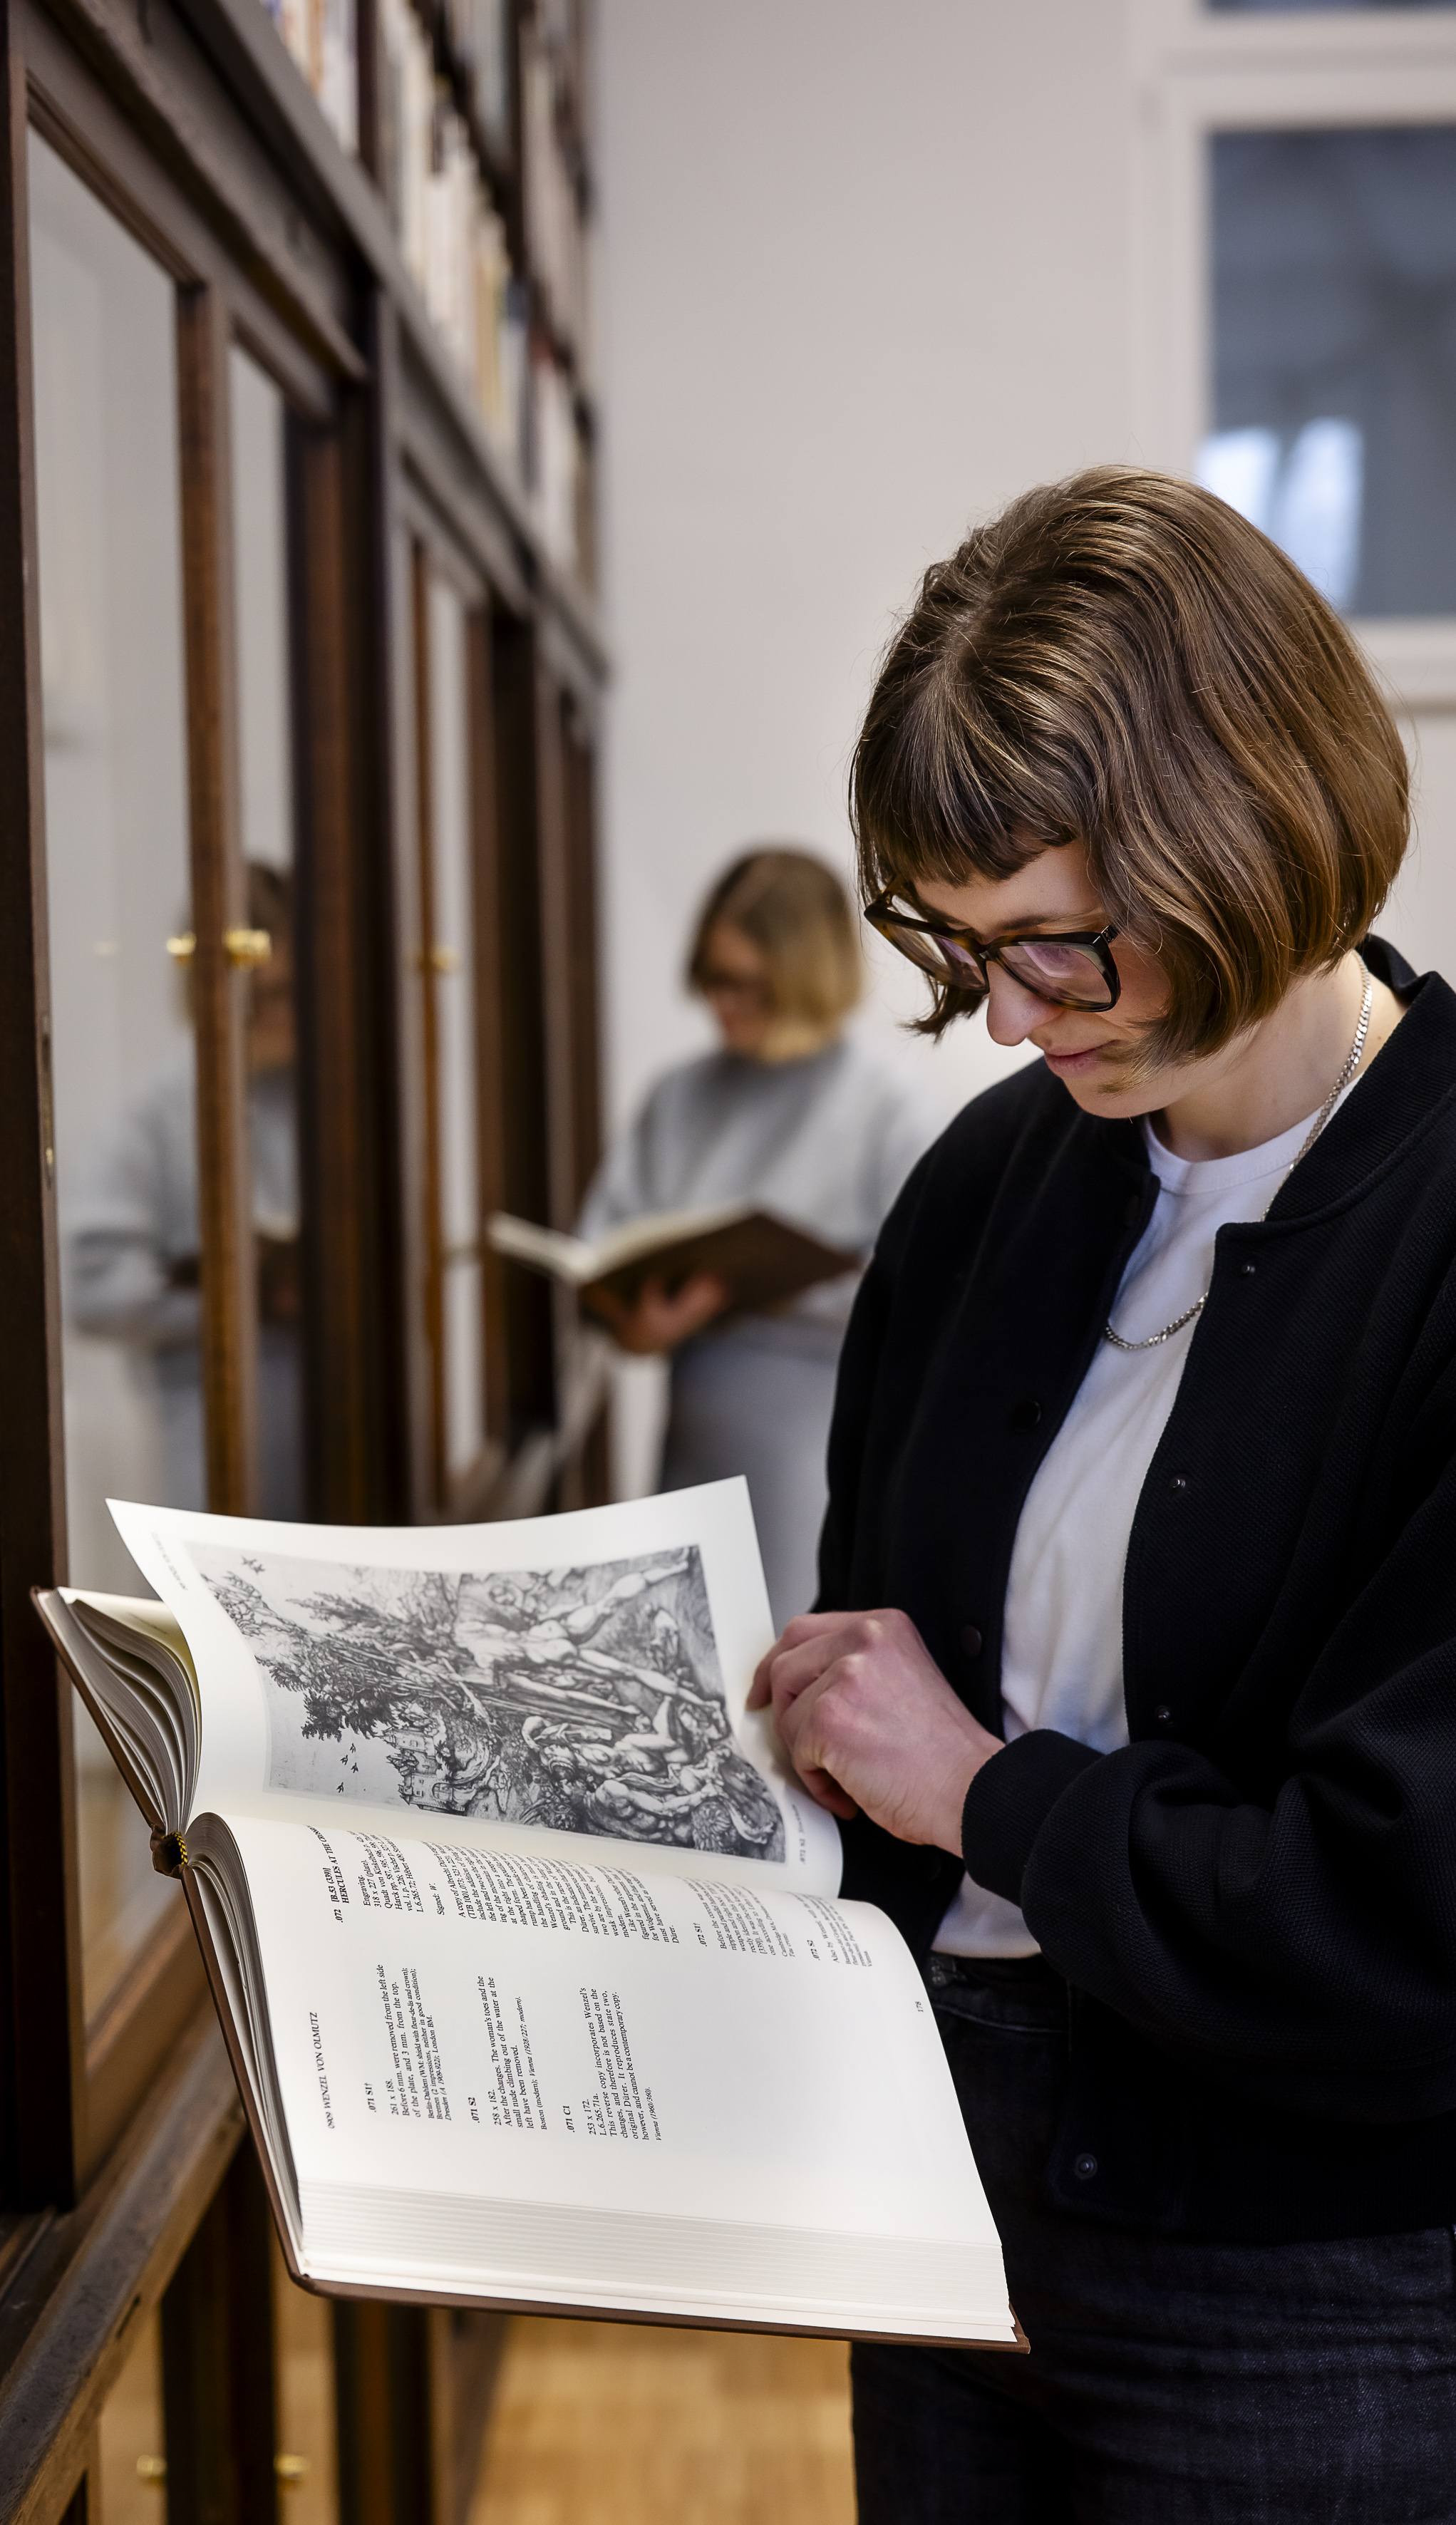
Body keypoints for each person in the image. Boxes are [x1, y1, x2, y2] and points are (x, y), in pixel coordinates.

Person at [750, 468, 1456, 2519]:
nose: (1002, 1017)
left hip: (1313, 2281)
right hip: (946, 2212)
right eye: (960, 949)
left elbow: (1398, 1907)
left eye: (1059, 945)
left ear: (1243, 833)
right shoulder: (988, 1183)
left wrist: (985, 1791)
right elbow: (875, 1684)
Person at [578, 848, 934, 1627]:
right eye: (713, 978)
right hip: (696, 1440)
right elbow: (602, 1241)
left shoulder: (887, 1105)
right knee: (681, 1660)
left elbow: (929, 1291)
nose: (723, 1004)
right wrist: (634, 1322)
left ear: (809, 976)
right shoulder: (678, 1097)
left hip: (822, 1449)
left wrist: (796, 1290)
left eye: (750, 985)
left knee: (792, 1664)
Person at [65, 859, 303, 1519]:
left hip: (339, 1456)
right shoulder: (151, 1118)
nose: (285, 1013)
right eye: (267, 996)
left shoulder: (330, 1105)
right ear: (213, 991)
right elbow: (93, 1293)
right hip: (217, 1468)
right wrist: (243, 1296)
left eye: (294, 993)